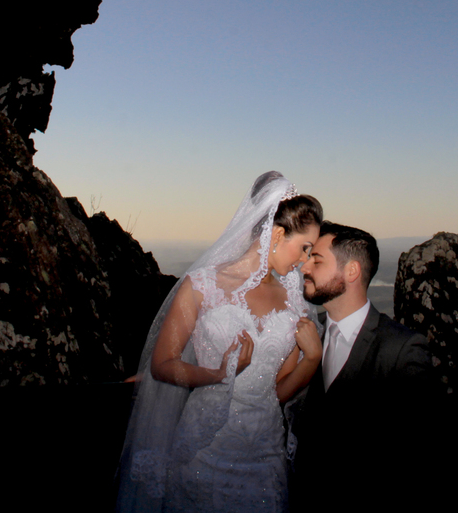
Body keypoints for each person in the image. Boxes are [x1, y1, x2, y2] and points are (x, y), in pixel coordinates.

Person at [116, 171, 325, 513]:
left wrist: (311, 359)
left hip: (264, 460)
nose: (304, 261)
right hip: (205, 450)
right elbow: (163, 364)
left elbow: (276, 392)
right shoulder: (201, 286)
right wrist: (217, 375)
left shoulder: (294, 304)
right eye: (303, 248)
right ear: (276, 233)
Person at [288, 221, 433, 512]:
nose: (304, 268)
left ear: (351, 271)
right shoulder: (306, 337)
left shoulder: (402, 348)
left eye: (316, 260)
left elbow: (418, 456)